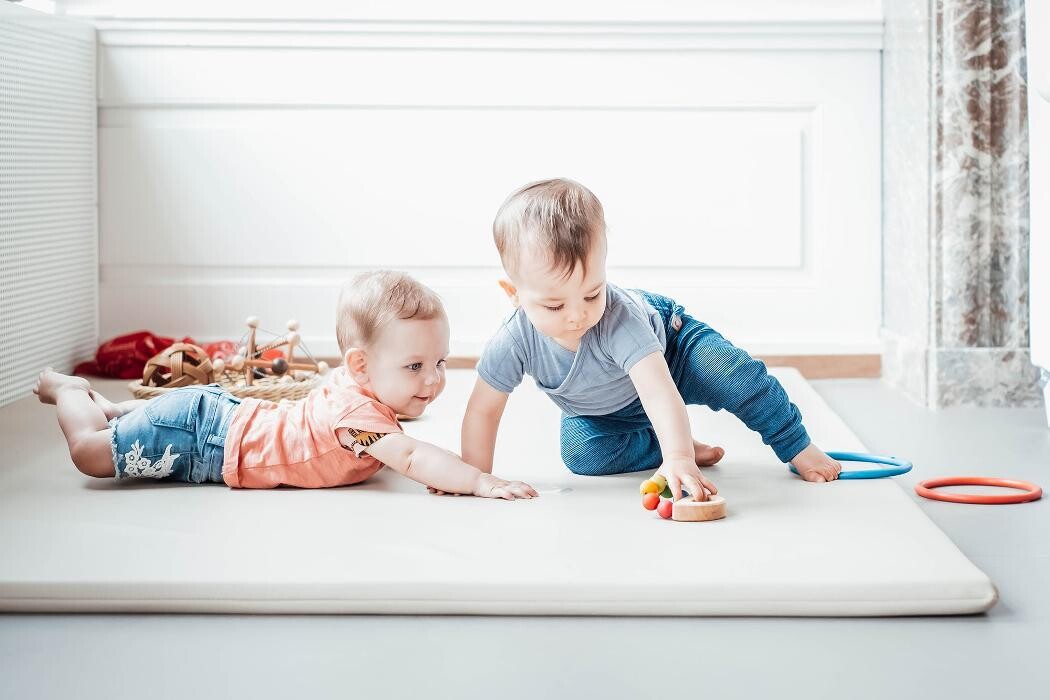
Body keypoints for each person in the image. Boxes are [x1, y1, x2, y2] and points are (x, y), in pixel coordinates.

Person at [460, 178, 841, 501]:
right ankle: (672, 445)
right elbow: (483, 411)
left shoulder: (618, 318)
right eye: (555, 305)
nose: (577, 315)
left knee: (732, 374)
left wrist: (677, 460)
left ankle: (797, 445)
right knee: (583, 456)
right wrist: (475, 479)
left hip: (671, 357)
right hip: (605, 409)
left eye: (592, 293)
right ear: (513, 293)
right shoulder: (512, 341)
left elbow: (659, 392)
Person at [35, 270, 537, 500]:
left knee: (130, 423)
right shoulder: (355, 417)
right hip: (203, 440)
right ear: (360, 367)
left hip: (220, 417)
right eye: (414, 367)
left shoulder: (361, 389)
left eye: (440, 362)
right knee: (89, 455)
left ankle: (112, 407)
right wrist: (476, 480)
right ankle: (71, 392)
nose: (432, 380)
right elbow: (409, 458)